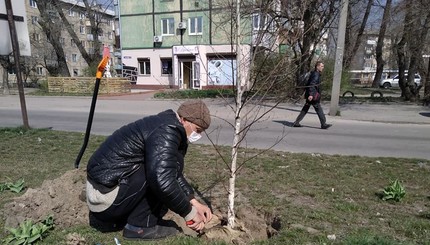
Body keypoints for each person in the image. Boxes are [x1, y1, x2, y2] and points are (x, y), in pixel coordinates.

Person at [86, 100, 213, 240]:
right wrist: (189, 213)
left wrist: (194, 202)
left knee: (161, 169)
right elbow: (162, 179)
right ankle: (139, 227)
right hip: (103, 200)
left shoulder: (165, 125)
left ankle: (132, 217)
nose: (198, 135)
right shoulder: (167, 131)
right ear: (183, 120)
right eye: (197, 130)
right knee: (157, 175)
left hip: (103, 193)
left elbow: (173, 171)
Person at [293, 61, 332, 129]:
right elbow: (312, 85)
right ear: (317, 67)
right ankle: (323, 124)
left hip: (311, 94)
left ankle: (296, 122)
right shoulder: (316, 74)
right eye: (322, 66)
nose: (323, 67)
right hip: (313, 95)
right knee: (318, 109)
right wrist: (311, 95)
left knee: (305, 108)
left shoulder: (314, 73)